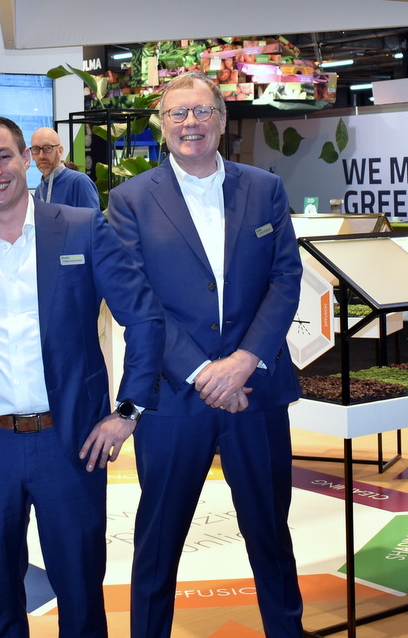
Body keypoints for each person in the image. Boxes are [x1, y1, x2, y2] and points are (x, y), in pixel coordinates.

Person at [0, 115, 165, 638]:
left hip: (70, 444)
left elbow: (144, 318)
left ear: (27, 159)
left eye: (3, 156)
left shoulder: (82, 227)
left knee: (80, 597)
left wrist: (128, 411)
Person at [107, 71, 305, 638]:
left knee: (270, 535)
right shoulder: (130, 200)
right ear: (162, 124)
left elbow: (285, 279)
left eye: (201, 112)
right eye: (177, 113)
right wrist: (201, 372)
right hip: (174, 399)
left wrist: (243, 361)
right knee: (158, 541)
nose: (190, 123)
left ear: (221, 120)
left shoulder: (264, 188)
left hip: (256, 391)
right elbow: (135, 299)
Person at [30, 126, 100, 208]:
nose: (41, 155)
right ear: (32, 155)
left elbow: (92, 216)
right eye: (36, 149)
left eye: (48, 148)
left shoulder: (80, 182)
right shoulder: (40, 190)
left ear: (60, 151)